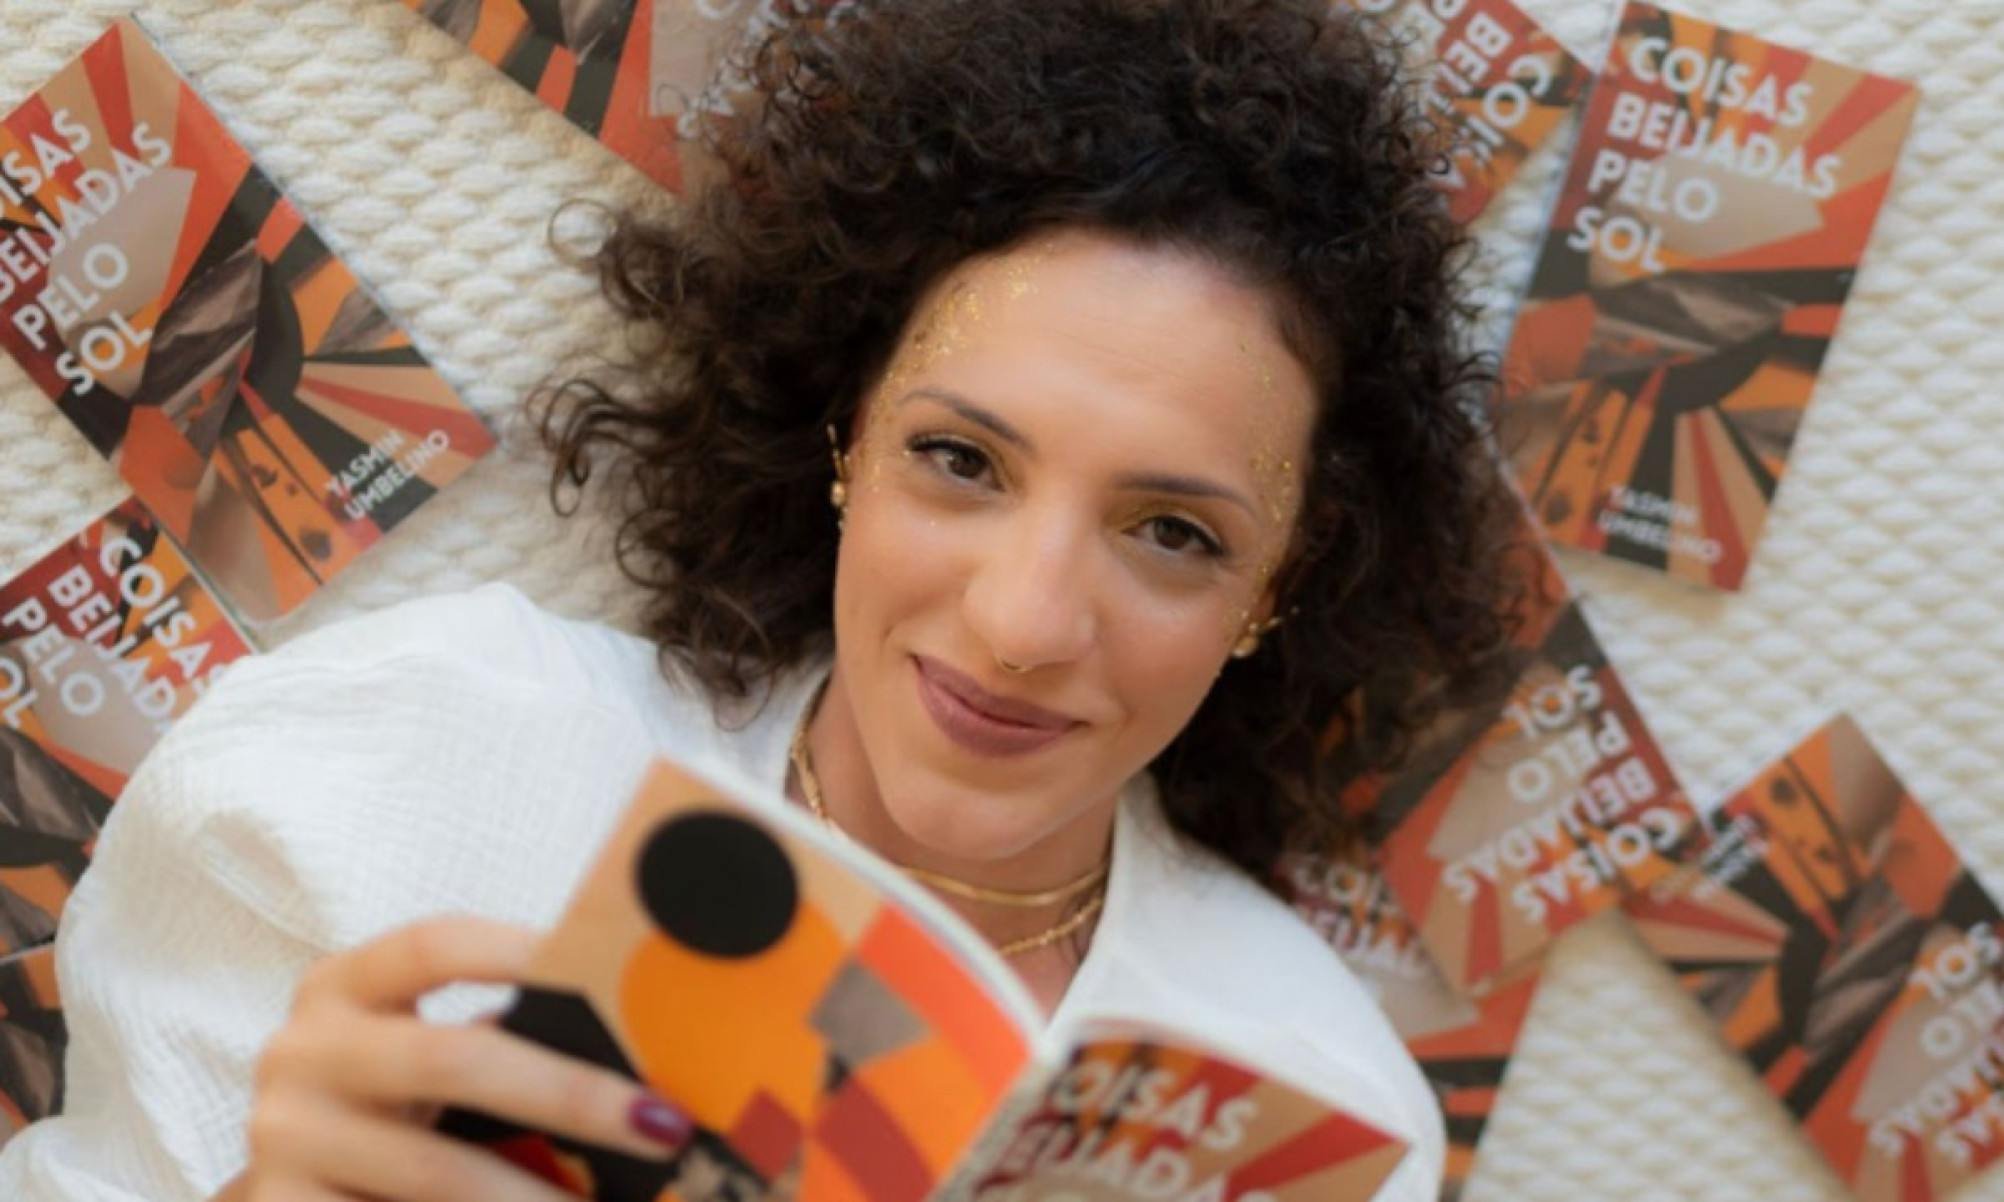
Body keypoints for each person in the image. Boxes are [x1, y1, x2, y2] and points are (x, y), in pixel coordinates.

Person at [0, 0, 1524, 1198]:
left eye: (1175, 533)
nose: (1023, 623)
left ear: (1279, 584)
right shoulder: (397, 771)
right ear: (845, 432)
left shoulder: (1318, 1105)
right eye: (960, 460)